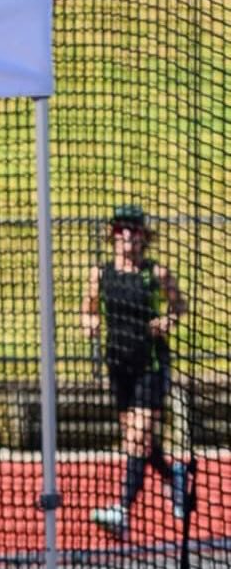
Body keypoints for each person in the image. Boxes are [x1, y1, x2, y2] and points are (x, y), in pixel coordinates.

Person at [83, 203, 188, 539]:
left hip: (150, 363)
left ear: (144, 235)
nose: (127, 235)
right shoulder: (101, 274)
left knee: (137, 437)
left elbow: (179, 305)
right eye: (120, 229)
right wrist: (90, 323)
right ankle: (174, 477)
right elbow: (88, 309)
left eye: (133, 229)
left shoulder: (155, 273)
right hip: (119, 365)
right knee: (138, 440)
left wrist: (167, 320)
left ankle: (121, 509)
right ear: (112, 235)